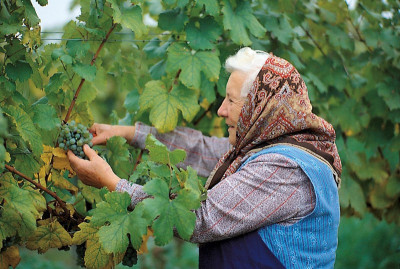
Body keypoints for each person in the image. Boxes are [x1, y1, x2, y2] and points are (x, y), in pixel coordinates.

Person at [68, 47, 342, 268]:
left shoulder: (285, 168)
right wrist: (126, 132)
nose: (221, 111)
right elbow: (203, 150)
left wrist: (113, 183)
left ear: (260, 108)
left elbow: (200, 219)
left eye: (231, 101)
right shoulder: (272, 148)